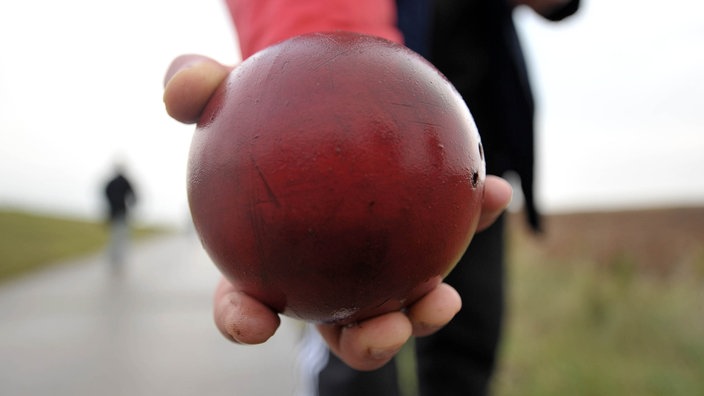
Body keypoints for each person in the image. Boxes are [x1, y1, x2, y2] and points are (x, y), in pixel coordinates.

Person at [162, 0, 578, 394]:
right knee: (359, 370)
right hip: (367, 136)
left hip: (462, 160)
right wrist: (327, 76)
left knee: (467, 349)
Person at [103, 164, 137, 273]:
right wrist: (130, 204)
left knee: (115, 236)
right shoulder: (124, 181)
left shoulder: (112, 182)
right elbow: (134, 194)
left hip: (114, 213)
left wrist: (111, 204)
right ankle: (118, 258)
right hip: (121, 212)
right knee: (121, 236)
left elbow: (105, 192)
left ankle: (115, 258)